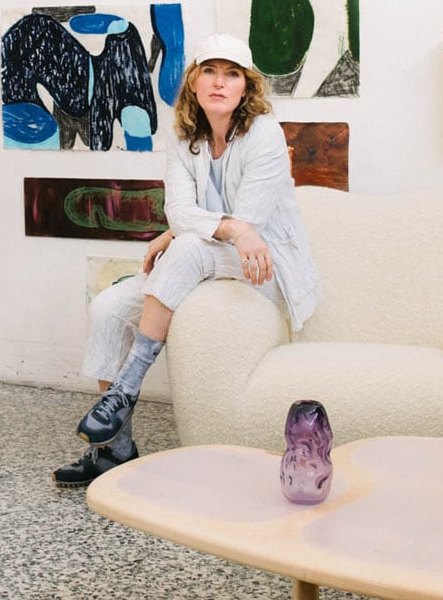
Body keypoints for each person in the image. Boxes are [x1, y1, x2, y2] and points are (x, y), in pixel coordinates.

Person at [52, 33, 321, 486]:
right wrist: (182, 227)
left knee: (190, 246)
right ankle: (115, 450)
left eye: (231, 74)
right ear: (194, 83)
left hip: (264, 264)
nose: (220, 82)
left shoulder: (266, 135)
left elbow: (248, 220)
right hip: (210, 250)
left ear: (245, 88)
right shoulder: (181, 137)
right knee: (106, 309)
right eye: (210, 72)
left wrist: (189, 231)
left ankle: (127, 386)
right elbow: (181, 210)